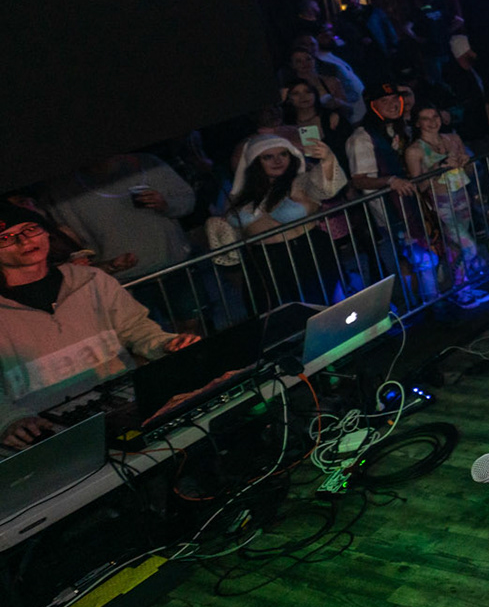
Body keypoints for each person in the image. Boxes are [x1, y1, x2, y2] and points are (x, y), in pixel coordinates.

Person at [0, 204, 201, 445]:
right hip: (50, 429)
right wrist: (10, 419)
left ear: (46, 232)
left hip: (125, 404)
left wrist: (166, 344)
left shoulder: (91, 279)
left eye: (30, 229)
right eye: (6, 238)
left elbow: (135, 328)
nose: (24, 241)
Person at [221, 135, 348, 311]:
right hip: (264, 261)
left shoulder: (301, 181)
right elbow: (230, 233)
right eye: (268, 157)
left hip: (307, 252)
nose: (278, 161)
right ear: (255, 161)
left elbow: (327, 188)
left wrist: (327, 158)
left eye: (283, 154)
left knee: (322, 309)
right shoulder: (239, 195)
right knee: (278, 316)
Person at [39, 154, 195, 283]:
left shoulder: (147, 163)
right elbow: (67, 240)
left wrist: (166, 205)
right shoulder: (62, 190)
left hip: (174, 266)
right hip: (120, 279)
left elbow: (187, 199)